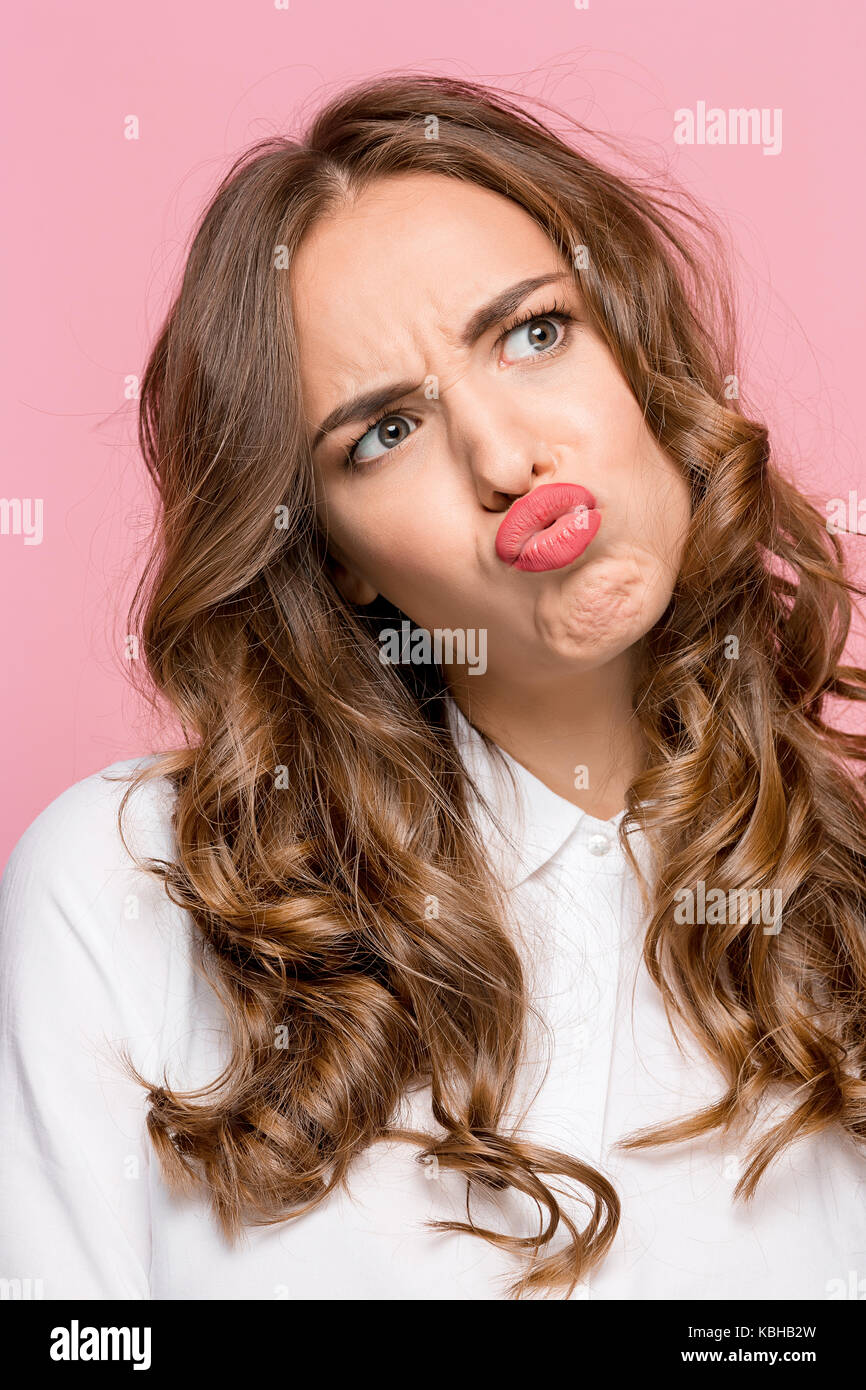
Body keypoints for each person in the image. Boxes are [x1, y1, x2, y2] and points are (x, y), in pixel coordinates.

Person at [2, 73, 865, 1301]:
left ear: (641, 357)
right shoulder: (125, 891)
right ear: (340, 564)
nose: (507, 458)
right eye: (382, 433)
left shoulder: (837, 922)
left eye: (532, 333)